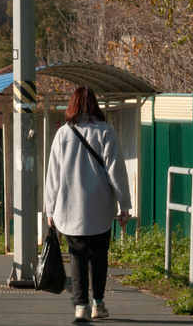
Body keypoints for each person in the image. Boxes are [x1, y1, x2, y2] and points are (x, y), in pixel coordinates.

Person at [45, 86, 132, 322]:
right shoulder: (105, 131)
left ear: (72, 105)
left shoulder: (62, 134)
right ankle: (99, 304)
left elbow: (53, 174)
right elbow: (116, 171)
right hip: (100, 208)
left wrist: (50, 209)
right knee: (99, 257)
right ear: (94, 105)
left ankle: (80, 306)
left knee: (77, 257)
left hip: (69, 207)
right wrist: (125, 203)